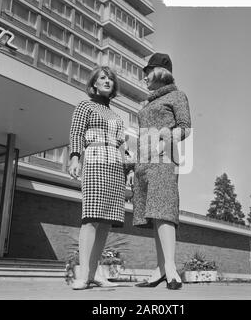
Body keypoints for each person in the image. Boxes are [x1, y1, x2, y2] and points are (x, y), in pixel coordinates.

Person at [133, 53, 191, 290]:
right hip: (143, 161)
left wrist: (169, 135)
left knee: (163, 209)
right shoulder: (145, 105)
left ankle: (170, 267)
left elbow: (185, 127)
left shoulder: (177, 96)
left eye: (147, 72)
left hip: (165, 156)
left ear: (160, 72)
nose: (144, 77)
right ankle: (159, 269)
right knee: (154, 213)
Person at [68, 66, 126, 290]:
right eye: (102, 78)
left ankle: (94, 273)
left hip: (114, 166)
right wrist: (75, 158)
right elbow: (76, 132)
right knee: (91, 217)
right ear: (93, 83)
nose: (107, 81)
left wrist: (127, 170)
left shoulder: (117, 117)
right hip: (94, 161)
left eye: (110, 78)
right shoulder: (85, 106)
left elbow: (121, 145)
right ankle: (83, 274)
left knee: (105, 222)